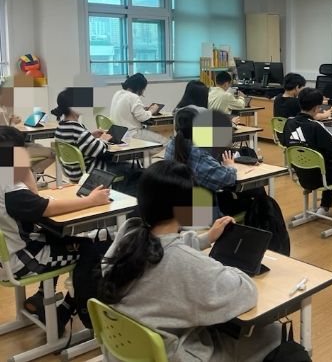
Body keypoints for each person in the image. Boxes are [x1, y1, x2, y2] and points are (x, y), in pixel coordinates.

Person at [98, 160, 280, 362]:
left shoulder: (128, 235)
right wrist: (225, 266)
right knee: (272, 332)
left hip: (126, 352)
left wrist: (206, 239)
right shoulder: (187, 265)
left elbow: (161, 246)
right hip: (175, 356)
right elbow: (247, 293)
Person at [0, 125, 111, 334]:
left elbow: (34, 201)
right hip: (22, 260)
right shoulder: (10, 188)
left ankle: (42, 297)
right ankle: (79, 311)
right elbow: (44, 207)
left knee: (54, 235)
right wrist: (90, 201)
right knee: (90, 249)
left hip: (6, 255)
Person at [164, 108, 261, 216]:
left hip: (176, 207)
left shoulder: (171, 146)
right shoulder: (198, 155)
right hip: (201, 213)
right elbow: (228, 179)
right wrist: (230, 166)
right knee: (258, 199)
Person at [52, 89, 141, 193]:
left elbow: (80, 144)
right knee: (135, 170)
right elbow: (99, 150)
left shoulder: (62, 127)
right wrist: (103, 139)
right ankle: (128, 200)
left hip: (73, 172)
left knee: (125, 167)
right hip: (92, 172)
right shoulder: (76, 128)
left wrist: (91, 135)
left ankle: (117, 194)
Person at [282, 87, 332, 216]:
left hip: (300, 175)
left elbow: (286, 142)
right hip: (319, 178)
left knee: (328, 164)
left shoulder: (289, 122)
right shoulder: (315, 126)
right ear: (316, 108)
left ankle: (325, 206)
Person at [0, 80, 54, 182]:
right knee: (54, 153)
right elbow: (6, 139)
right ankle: (30, 175)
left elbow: (5, 131)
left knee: (38, 146)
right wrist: (13, 123)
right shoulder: (1, 111)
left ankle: (30, 174)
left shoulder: (4, 108)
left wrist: (12, 121)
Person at [109, 73, 167, 145]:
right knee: (164, 141)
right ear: (139, 87)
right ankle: (146, 151)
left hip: (117, 134)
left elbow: (127, 110)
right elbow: (142, 118)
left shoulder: (118, 93)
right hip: (131, 134)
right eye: (143, 89)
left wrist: (142, 109)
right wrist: (151, 111)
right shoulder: (133, 97)